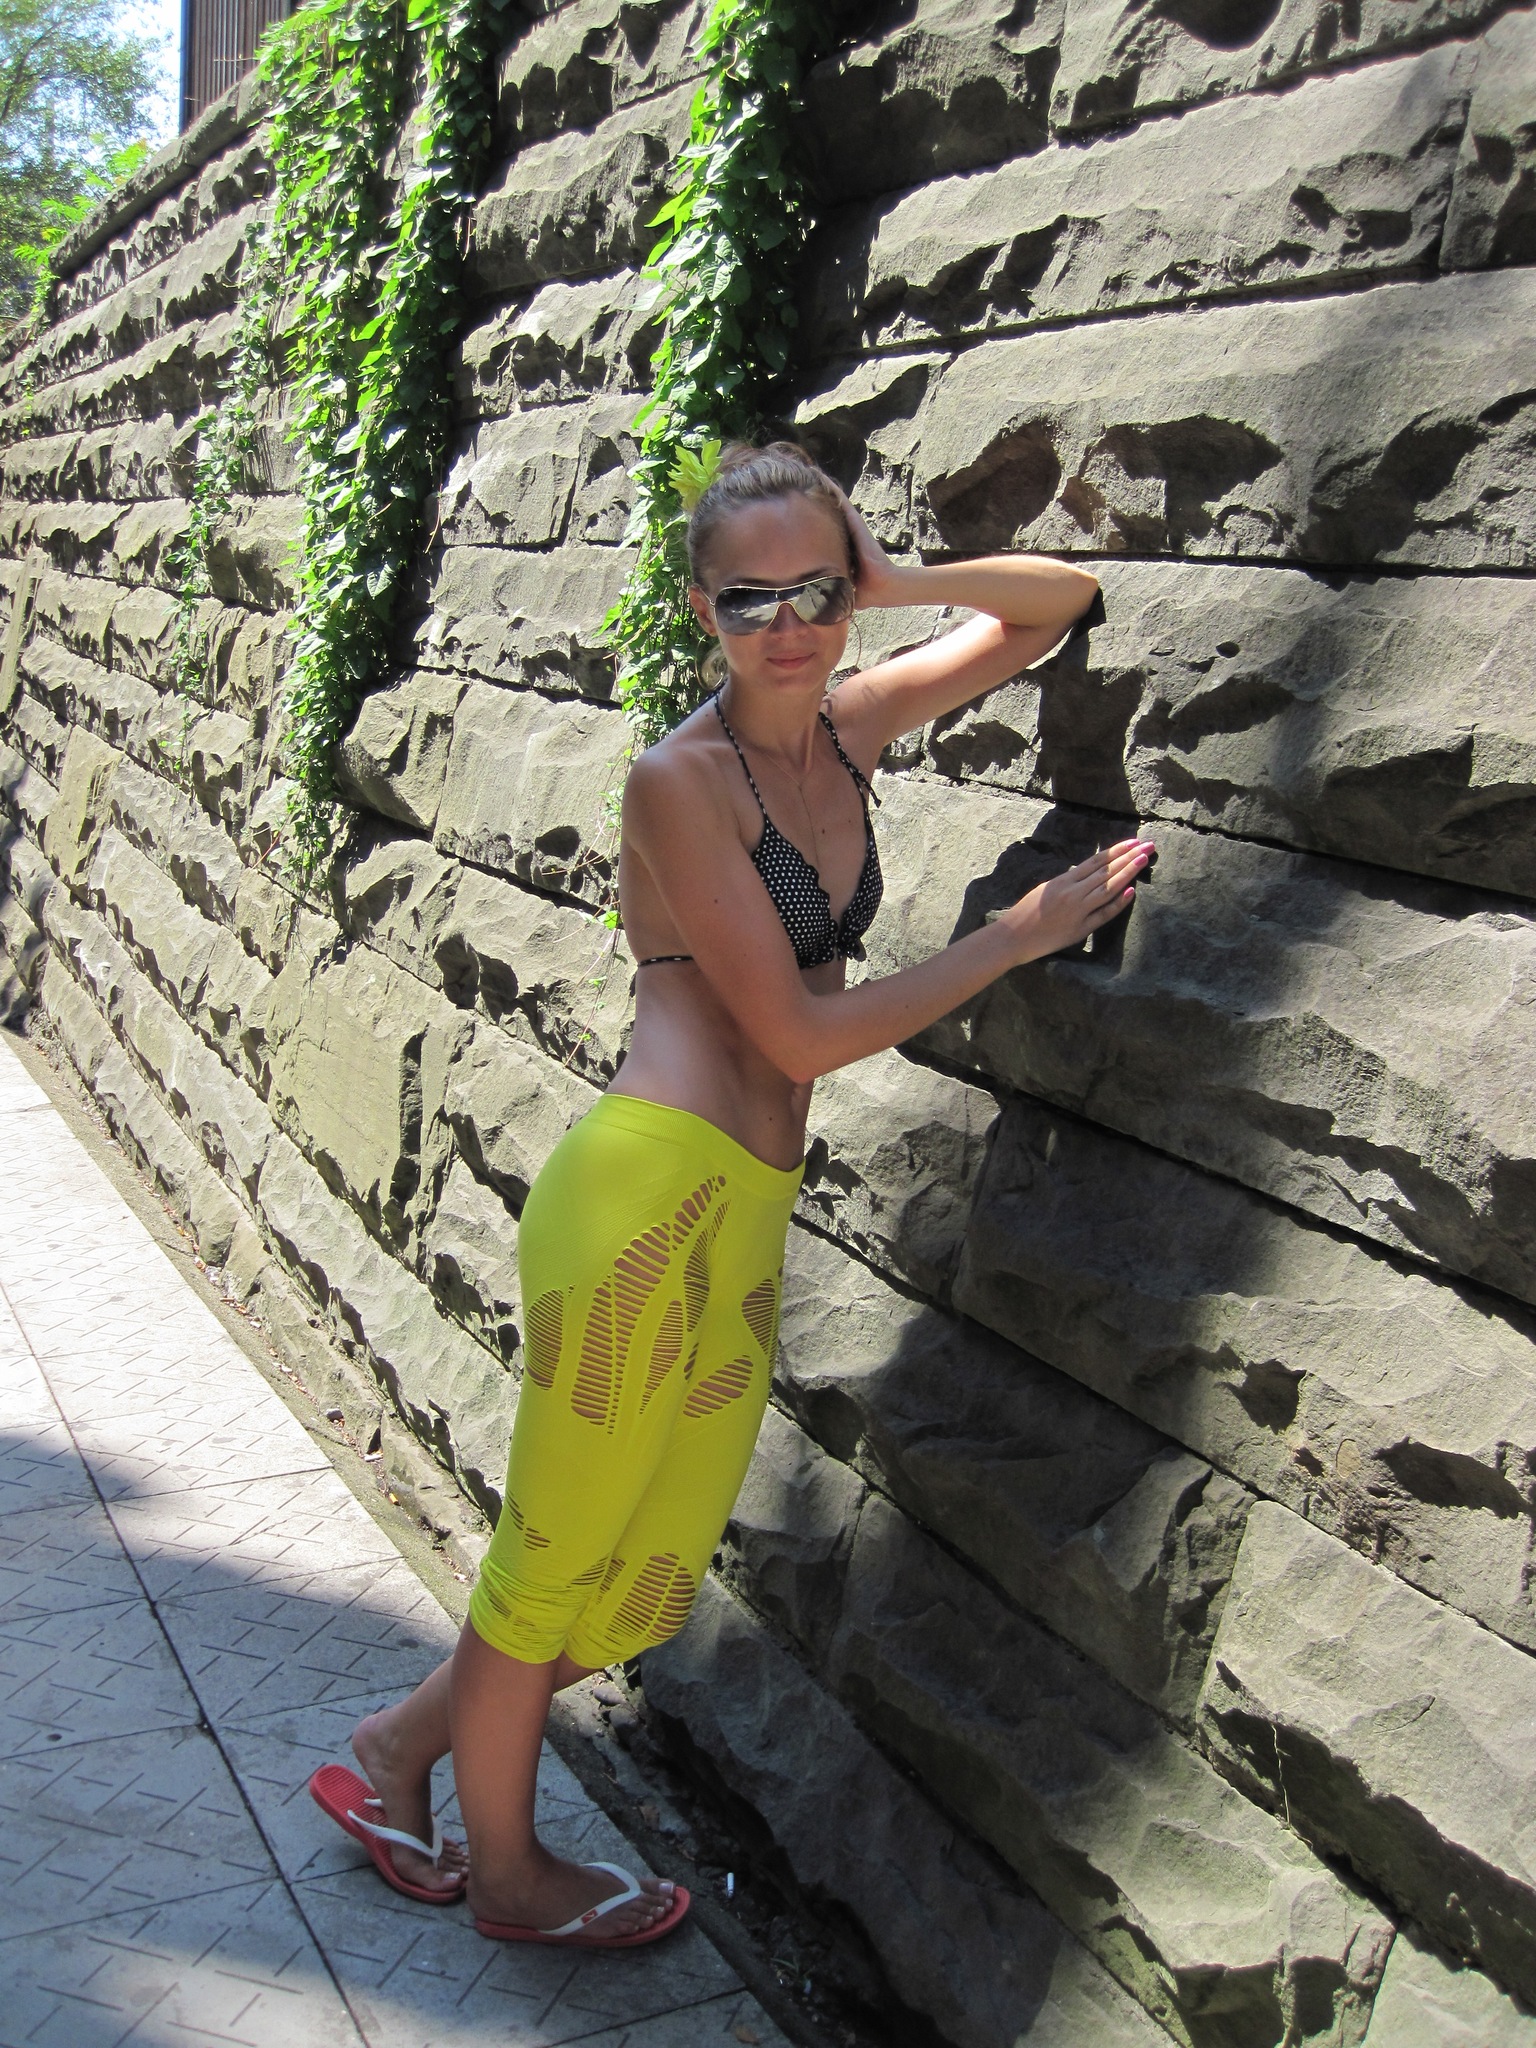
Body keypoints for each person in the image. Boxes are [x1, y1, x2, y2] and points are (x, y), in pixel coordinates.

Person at [309, 441, 1151, 1947]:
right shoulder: (680, 782)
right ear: (703, 610)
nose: (788, 625)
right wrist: (1013, 937)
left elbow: (1059, 602)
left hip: (747, 1209)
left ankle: (392, 1752)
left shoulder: (849, 722)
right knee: (548, 1566)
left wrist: (900, 580)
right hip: (642, 1203)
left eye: (816, 591)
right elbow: (802, 1034)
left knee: (639, 1590)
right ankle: (508, 1876)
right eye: (749, 599)